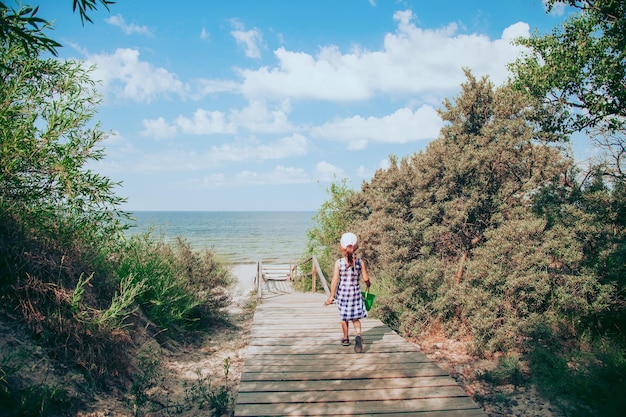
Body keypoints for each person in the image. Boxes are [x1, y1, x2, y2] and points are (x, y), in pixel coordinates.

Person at [325, 232, 371, 353]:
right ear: (356, 247)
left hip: (343, 294)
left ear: (341, 247)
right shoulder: (360, 262)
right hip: (355, 293)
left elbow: (335, 280)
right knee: (355, 318)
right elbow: (366, 279)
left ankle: (345, 339)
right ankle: (358, 335)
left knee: (344, 317)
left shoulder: (339, 263)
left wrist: (331, 296)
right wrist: (368, 284)